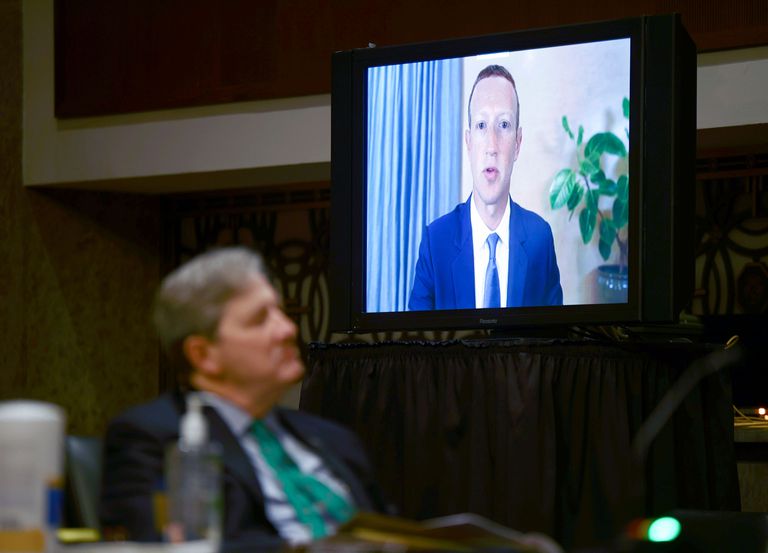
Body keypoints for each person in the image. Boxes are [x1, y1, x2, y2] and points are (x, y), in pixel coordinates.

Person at [99, 247, 392, 549]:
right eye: (260, 319)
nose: (288, 329)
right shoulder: (154, 437)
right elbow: (166, 546)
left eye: (281, 313)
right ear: (203, 354)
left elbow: (395, 534)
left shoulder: (334, 439)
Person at [409, 64, 563, 310]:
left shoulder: (540, 239)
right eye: (481, 125)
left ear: (518, 144)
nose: (492, 146)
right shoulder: (435, 241)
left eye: (503, 125)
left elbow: (557, 343)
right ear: (469, 143)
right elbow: (414, 343)